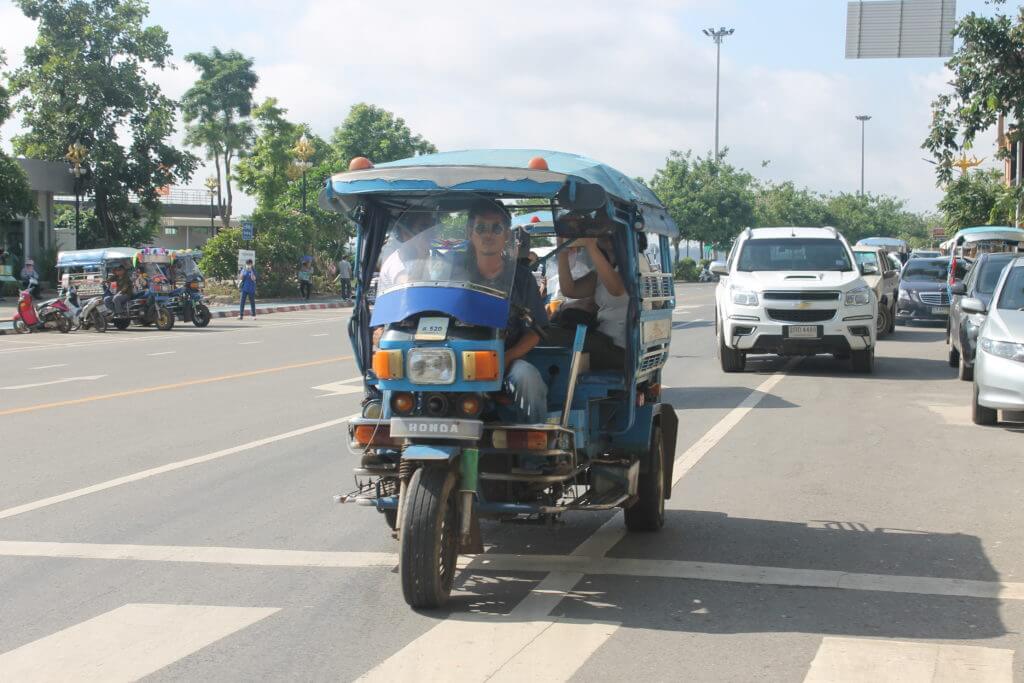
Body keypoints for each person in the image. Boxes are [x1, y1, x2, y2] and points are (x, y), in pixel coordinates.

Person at [464, 201, 549, 423]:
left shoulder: (521, 279)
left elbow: (536, 330)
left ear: (506, 236)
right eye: (481, 228)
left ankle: (534, 454)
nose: (488, 235)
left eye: (496, 228)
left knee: (527, 377)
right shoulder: (452, 274)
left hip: (508, 361)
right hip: (457, 361)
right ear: (470, 233)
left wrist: (506, 358)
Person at [556, 235, 627, 369]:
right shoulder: (604, 268)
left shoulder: (636, 261)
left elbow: (616, 289)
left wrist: (590, 245)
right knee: (550, 331)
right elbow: (569, 290)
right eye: (599, 229)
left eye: (610, 228)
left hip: (618, 347)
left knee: (548, 338)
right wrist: (562, 252)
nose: (604, 233)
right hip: (601, 339)